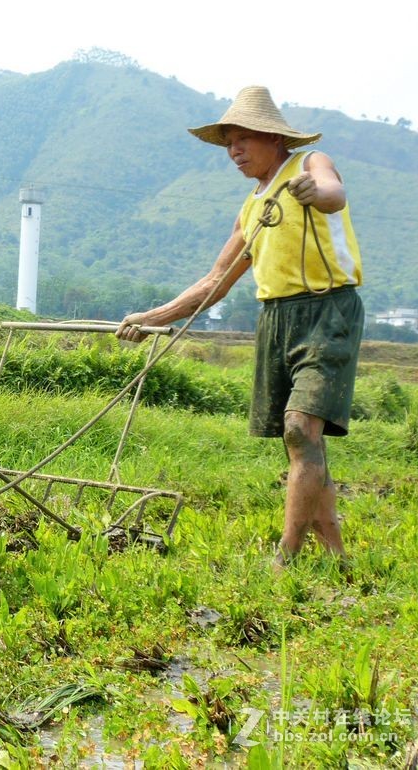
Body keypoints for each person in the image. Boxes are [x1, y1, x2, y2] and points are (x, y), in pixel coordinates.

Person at [116, 86, 363, 568]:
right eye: (228, 141)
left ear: (274, 138)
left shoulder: (310, 165)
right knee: (303, 438)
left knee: (299, 429)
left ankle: (286, 557)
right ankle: (336, 555)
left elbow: (333, 193)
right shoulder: (251, 210)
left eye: (243, 138)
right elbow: (214, 282)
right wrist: (150, 319)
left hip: (326, 309)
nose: (234, 150)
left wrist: (317, 194)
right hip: (275, 319)